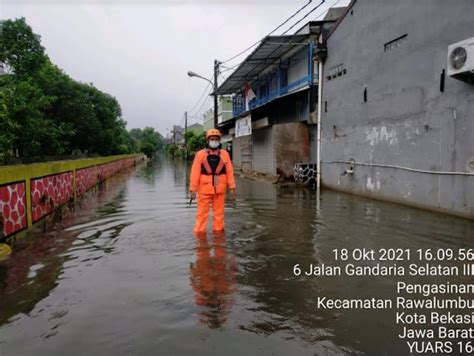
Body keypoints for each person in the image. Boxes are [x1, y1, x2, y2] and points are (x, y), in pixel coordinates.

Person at [190, 129, 236, 234]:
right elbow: (195, 173)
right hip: (204, 189)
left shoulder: (224, 154)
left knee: (219, 214)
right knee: (202, 215)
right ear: (208, 140)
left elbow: (229, 171)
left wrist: (232, 187)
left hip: (219, 188)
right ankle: (199, 236)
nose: (214, 141)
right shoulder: (200, 155)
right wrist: (192, 190)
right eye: (212, 139)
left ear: (219, 141)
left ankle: (219, 237)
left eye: (216, 139)